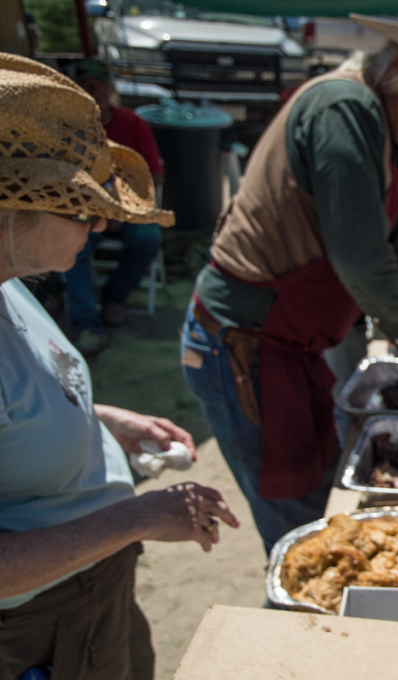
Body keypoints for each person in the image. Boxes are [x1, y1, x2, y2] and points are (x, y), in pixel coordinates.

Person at [181, 0, 398, 555]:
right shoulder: (345, 106)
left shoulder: (381, 127)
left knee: (319, 509)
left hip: (288, 347)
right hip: (245, 345)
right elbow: (362, 259)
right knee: (305, 536)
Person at [0, 53, 238, 680]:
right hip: (39, 629)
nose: (101, 220)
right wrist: (138, 515)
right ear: (10, 212)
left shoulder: (10, 281)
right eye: (78, 207)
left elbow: (16, 407)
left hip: (89, 589)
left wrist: (99, 420)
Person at [63, 57, 164, 355]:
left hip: (128, 207)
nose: (94, 90)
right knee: (69, 246)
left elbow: (154, 176)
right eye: (87, 84)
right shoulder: (68, 125)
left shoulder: (132, 124)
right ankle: (86, 324)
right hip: (85, 208)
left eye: (99, 84)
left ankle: (113, 298)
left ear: (111, 88)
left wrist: (121, 207)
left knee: (148, 241)